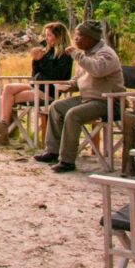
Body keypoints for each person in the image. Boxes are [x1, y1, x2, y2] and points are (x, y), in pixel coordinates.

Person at [33, 20, 123, 173]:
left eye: (79, 36)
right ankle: (52, 151)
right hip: (87, 98)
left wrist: (77, 56)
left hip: (107, 101)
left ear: (91, 38)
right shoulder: (85, 55)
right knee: (57, 107)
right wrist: (67, 85)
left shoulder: (106, 54)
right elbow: (79, 80)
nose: (75, 39)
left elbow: (97, 70)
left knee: (73, 114)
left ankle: (67, 160)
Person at [0, 22, 73, 146]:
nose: (46, 38)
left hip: (49, 90)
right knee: (8, 88)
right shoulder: (48, 50)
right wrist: (36, 61)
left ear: (58, 36)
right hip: (37, 85)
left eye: (49, 35)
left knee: (6, 99)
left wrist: (41, 59)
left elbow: (55, 75)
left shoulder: (65, 54)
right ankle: (4, 126)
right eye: (46, 35)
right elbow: (35, 74)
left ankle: (3, 131)